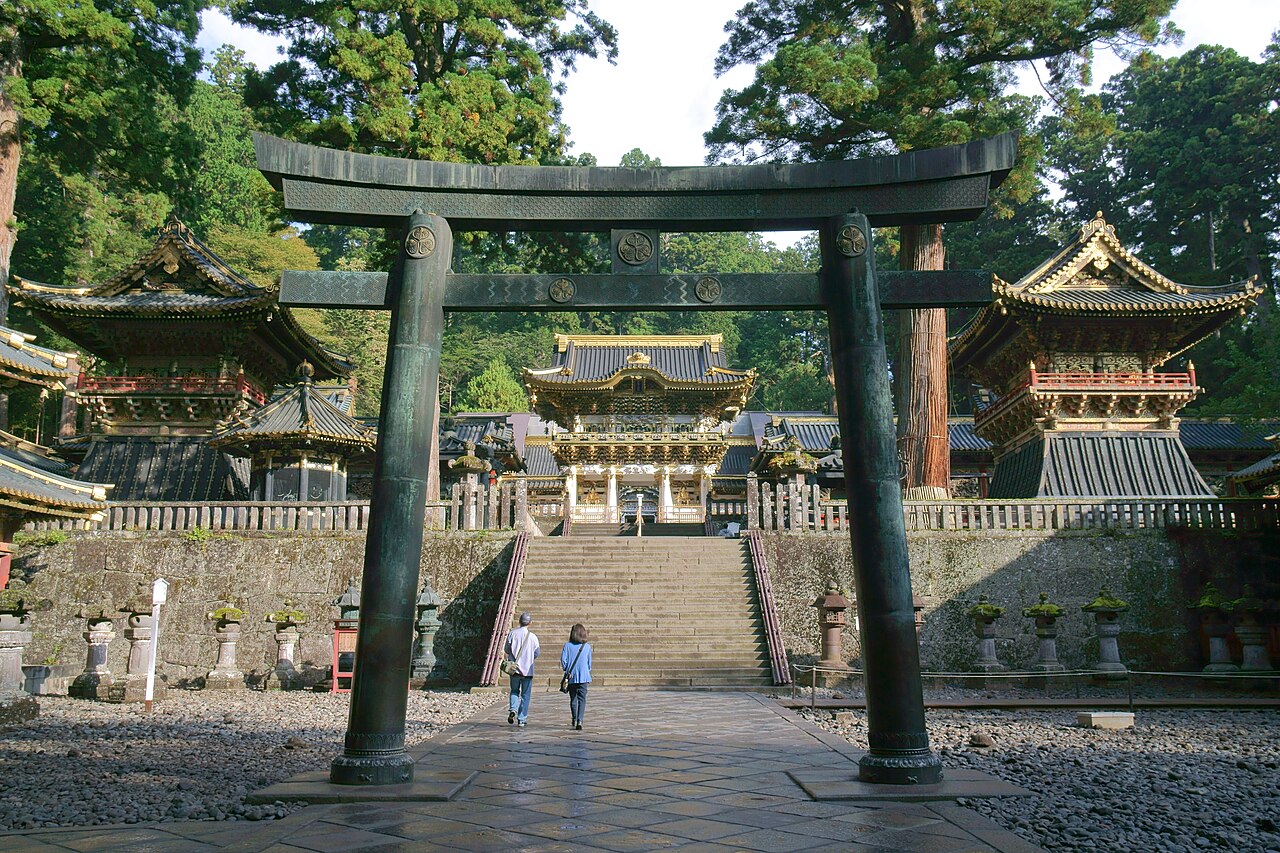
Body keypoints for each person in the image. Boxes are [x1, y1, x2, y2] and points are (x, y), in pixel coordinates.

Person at [504, 612, 539, 727]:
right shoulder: (533, 637)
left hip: (514, 670)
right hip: (527, 670)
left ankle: (513, 709)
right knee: (525, 695)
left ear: (519, 621)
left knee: (514, 691)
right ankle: (522, 719)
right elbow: (537, 652)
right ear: (530, 623)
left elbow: (507, 649)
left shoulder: (512, 633)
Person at [560, 623, 593, 730]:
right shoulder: (587, 647)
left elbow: (563, 661)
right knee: (582, 699)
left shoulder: (567, 646)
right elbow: (589, 663)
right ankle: (580, 720)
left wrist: (567, 669)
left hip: (571, 676)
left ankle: (574, 718)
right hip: (584, 676)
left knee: (573, 698)